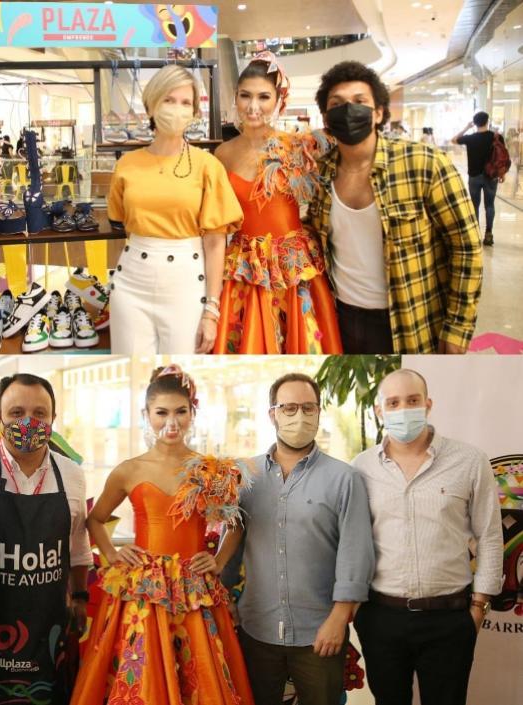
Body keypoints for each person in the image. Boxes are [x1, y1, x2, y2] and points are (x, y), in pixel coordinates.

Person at [72, 366, 255, 705]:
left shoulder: (209, 468)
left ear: (192, 413)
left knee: (198, 674)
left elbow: (235, 524)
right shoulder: (129, 469)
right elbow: (95, 520)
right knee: (142, 672)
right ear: (147, 415)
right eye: (161, 413)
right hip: (144, 584)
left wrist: (217, 561)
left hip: (194, 585)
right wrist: (112, 554)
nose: (172, 421)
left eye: (180, 411)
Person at [217, 373, 373, 705]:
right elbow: (231, 542)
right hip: (255, 627)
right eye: (288, 408)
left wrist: (339, 618)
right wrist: (225, 596)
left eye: (307, 407)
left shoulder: (344, 479)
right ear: (272, 414)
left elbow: (355, 553)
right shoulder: (243, 476)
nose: (299, 416)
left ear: (319, 413)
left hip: (319, 633)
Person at [351, 369, 504, 705]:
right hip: (381, 618)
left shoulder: (469, 461)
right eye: (393, 402)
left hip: (448, 618)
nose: (403, 409)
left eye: (412, 400)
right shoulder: (361, 468)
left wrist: (478, 606)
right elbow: (350, 543)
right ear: (380, 411)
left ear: (428, 404)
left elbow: (490, 536)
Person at [307, 61, 481, 354]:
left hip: (410, 320)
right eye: (337, 104)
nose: (349, 110)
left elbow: (466, 247)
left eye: (359, 102)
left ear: (377, 113)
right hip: (341, 320)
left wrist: (458, 328)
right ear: (326, 118)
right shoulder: (318, 174)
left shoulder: (424, 163)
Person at [0, 373, 91, 705]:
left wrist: (81, 597)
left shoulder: (71, 473)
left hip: (51, 628)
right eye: (16, 413)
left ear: (53, 419)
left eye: (40, 413)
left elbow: (78, 544)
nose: (28, 421)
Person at [107, 64, 244, 354]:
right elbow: (120, 220)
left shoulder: (208, 166)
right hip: (131, 278)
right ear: (152, 105)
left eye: (185, 103)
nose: (177, 109)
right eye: (169, 100)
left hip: (186, 279)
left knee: (183, 365)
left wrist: (212, 309)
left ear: (195, 112)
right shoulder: (126, 165)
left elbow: (216, 241)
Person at [212, 52, 342, 353]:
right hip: (244, 266)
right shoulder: (222, 153)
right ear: (235, 97)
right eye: (245, 96)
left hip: (293, 266)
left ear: (278, 100)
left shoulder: (298, 146)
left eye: (263, 97)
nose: (253, 106)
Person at [453, 111, 500, 246]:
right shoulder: (495, 137)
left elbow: (454, 139)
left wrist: (467, 127)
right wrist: (501, 173)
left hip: (474, 176)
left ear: (475, 123)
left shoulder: (471, 138)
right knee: (489, 205)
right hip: (491, 176)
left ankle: (475, 234)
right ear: (487, 121)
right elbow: (502, 157)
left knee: (474, 205)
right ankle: (489, 234)